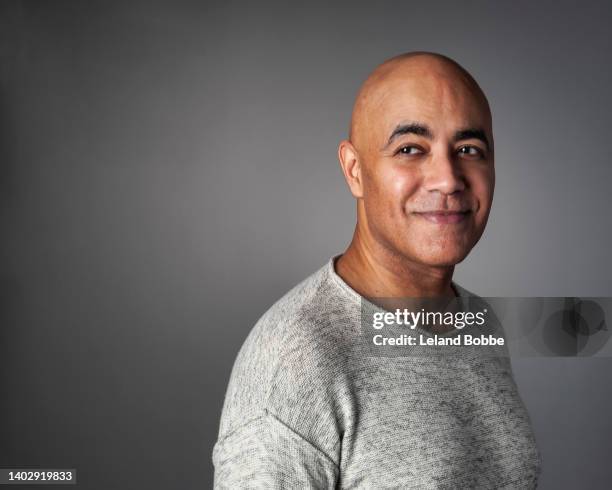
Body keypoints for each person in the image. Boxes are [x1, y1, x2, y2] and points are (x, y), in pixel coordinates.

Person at [212, 52, 541, 488]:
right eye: (409, 149)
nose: (448, 178)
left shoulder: (477, 322)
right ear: (355, 170)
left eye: (468, 149)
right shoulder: (294, 366)